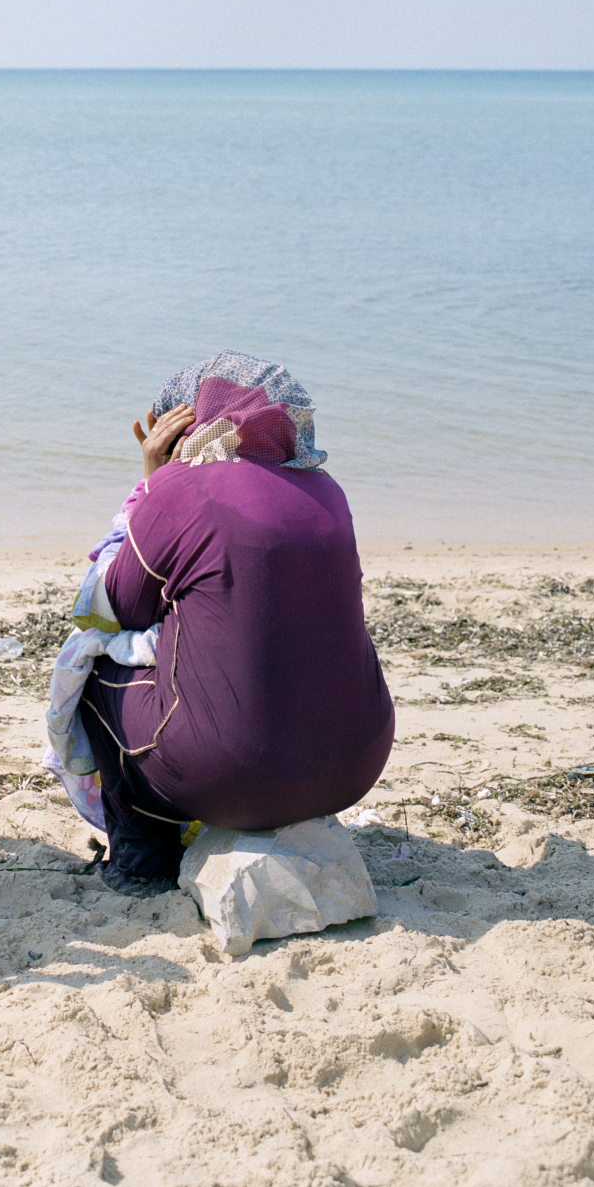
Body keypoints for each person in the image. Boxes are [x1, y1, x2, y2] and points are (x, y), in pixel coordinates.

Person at [64, 352, 395, 897]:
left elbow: (114, 609)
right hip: (355, 765)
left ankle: (140, 860)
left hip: (232, 777)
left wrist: (153, 485)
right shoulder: (329, 492)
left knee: (91, 666)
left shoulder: (182, 490)